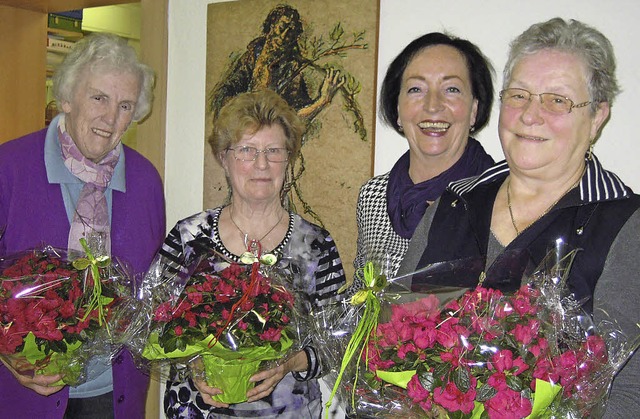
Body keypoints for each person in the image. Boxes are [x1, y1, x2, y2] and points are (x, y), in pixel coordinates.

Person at [398, 18, 639, 415]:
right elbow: (394, 336)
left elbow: (628, 391)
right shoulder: (453, 204)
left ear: (596, 117)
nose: (530, 115)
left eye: (557, 100)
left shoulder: (626, 224)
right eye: (519, 95)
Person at [0, 33, 166, 418]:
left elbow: (150, 291)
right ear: (67, 98)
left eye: (125, 105)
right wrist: (7, 354)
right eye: (99, 98)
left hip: (112, 395)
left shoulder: (144, 182)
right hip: (23, 397)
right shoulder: (10, 168)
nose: (111, 119)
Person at [158, 89, 347, 418]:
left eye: (274, 151)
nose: (262, 164)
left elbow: (338, 341)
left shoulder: (316, 245)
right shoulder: (189, 238)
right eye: (247, 150)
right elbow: (152, 322)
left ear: (288, 159)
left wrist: (291, 361)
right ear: (224, 158)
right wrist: (193, 361)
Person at [355, 32, 495, 279]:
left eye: (451, 89)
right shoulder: (372, 196)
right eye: (416, 89)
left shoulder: (498, 198)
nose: (432, 105)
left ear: (474, 109)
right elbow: (361, 295)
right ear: (397, 109)